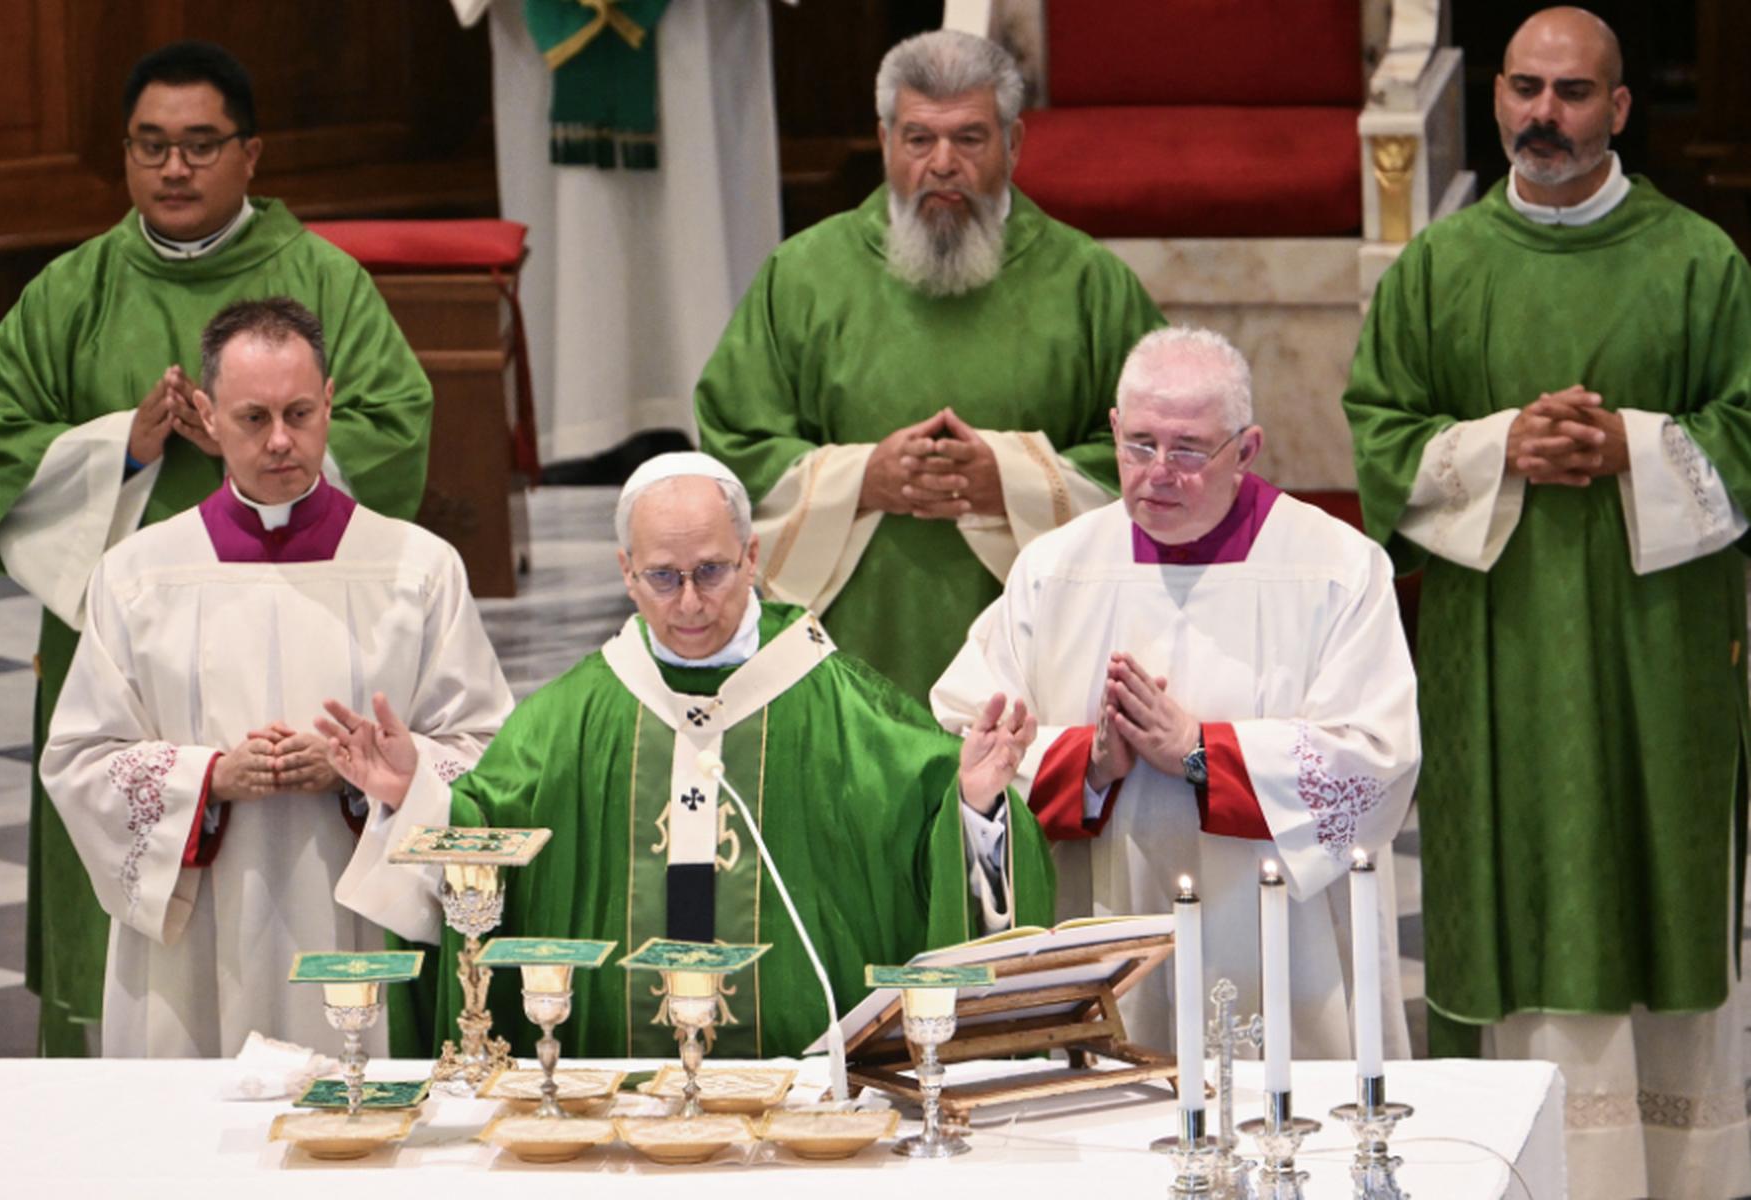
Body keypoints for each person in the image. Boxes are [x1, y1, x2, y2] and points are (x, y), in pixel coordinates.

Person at [1341, 9, 1751, 1196]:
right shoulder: (1441, 268)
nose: (1542, 116)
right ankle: (1519, 1170)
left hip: (1662, 657)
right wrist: (1500, 446)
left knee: (1656, 882)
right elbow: (1379, 437)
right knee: (1514, 882)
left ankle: (1680, 1171)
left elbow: (1747, 426)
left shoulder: (1701, 261)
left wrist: (1634, 445)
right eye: (1524, 89)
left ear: (1620, 109)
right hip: (1502, 654)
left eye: (1574, 94)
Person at [0, 41, 433, 1054]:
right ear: (125, 156)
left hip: (314, 633)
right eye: (151, 146)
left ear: (250, 154)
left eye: (200, 145)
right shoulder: (69, 293)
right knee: (143, 941)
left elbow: (398, 426)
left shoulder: (324, 281)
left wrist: (264, 437)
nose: (174, 169)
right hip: (132, 648)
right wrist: (121, 449)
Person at [325, 451, 1055, 1058]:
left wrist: (976, 800)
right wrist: (413, 795)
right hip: (625, 1091)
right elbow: (487, 831)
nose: (689, 605)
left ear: (753, 556)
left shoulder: (836, 700)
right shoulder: (577, 714)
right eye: (662, 578)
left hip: (801, 1089)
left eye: (711, 571)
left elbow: (928, 809)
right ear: (624, 571)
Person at [934, 327, 1420, 1062]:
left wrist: (1200, 753)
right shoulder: (1053, 571)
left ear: (1248, 449)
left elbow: (1378, 765)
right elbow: (969, 735)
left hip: (1282, 944)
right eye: (1140, 445)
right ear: (1113, 433)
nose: (1159, 472)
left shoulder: (1337, 569)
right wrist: (1086, 767)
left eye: (1190, 450)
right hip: (1103, 932)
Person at [40, 297, 506, 1059]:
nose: (281, 440)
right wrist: (210, 779)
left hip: (359, 911)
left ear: (330, 404)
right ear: (206, 416)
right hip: (196, 943)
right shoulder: (137, 575)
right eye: (253, 418)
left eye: (299, 412)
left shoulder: (418, 570)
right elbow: (80, 760)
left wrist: (372, 775)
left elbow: (485, 749)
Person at [696, 28, 1164, 704]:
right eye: (919, 139)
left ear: (1014, 143)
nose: (942, 163)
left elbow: (1163, 454)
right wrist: (861, 479)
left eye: (970, 139)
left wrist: (1010, 478)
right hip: (850, 643)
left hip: (1036, 656)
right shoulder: (802, 277)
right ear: (885, 142)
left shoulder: (1090, 284)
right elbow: (734, 441)